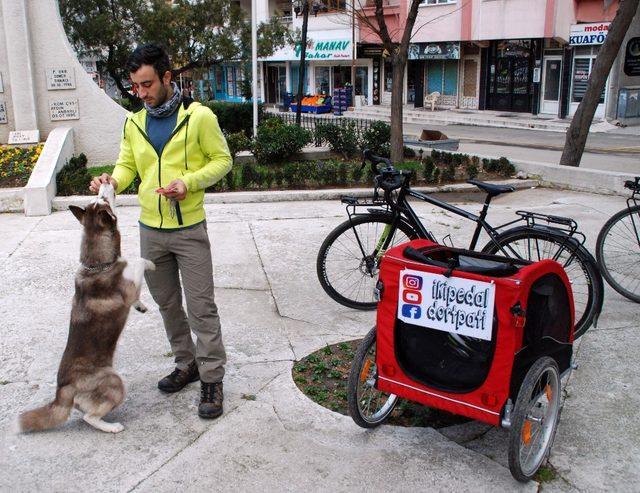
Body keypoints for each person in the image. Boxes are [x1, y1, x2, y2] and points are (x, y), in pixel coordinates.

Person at [89, 43, 232, 419]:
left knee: (202, 307)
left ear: (167, 77)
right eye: (136, 87)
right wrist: (112, 181)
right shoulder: (134, 122)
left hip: (189, 228)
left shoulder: (198, 117)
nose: (142, 94)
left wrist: (190, 182)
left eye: (148, 84)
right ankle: (187, 363)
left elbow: (223, 161)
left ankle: (213, 379)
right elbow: (126, 167)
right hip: (150, 230)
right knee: (168, 304)